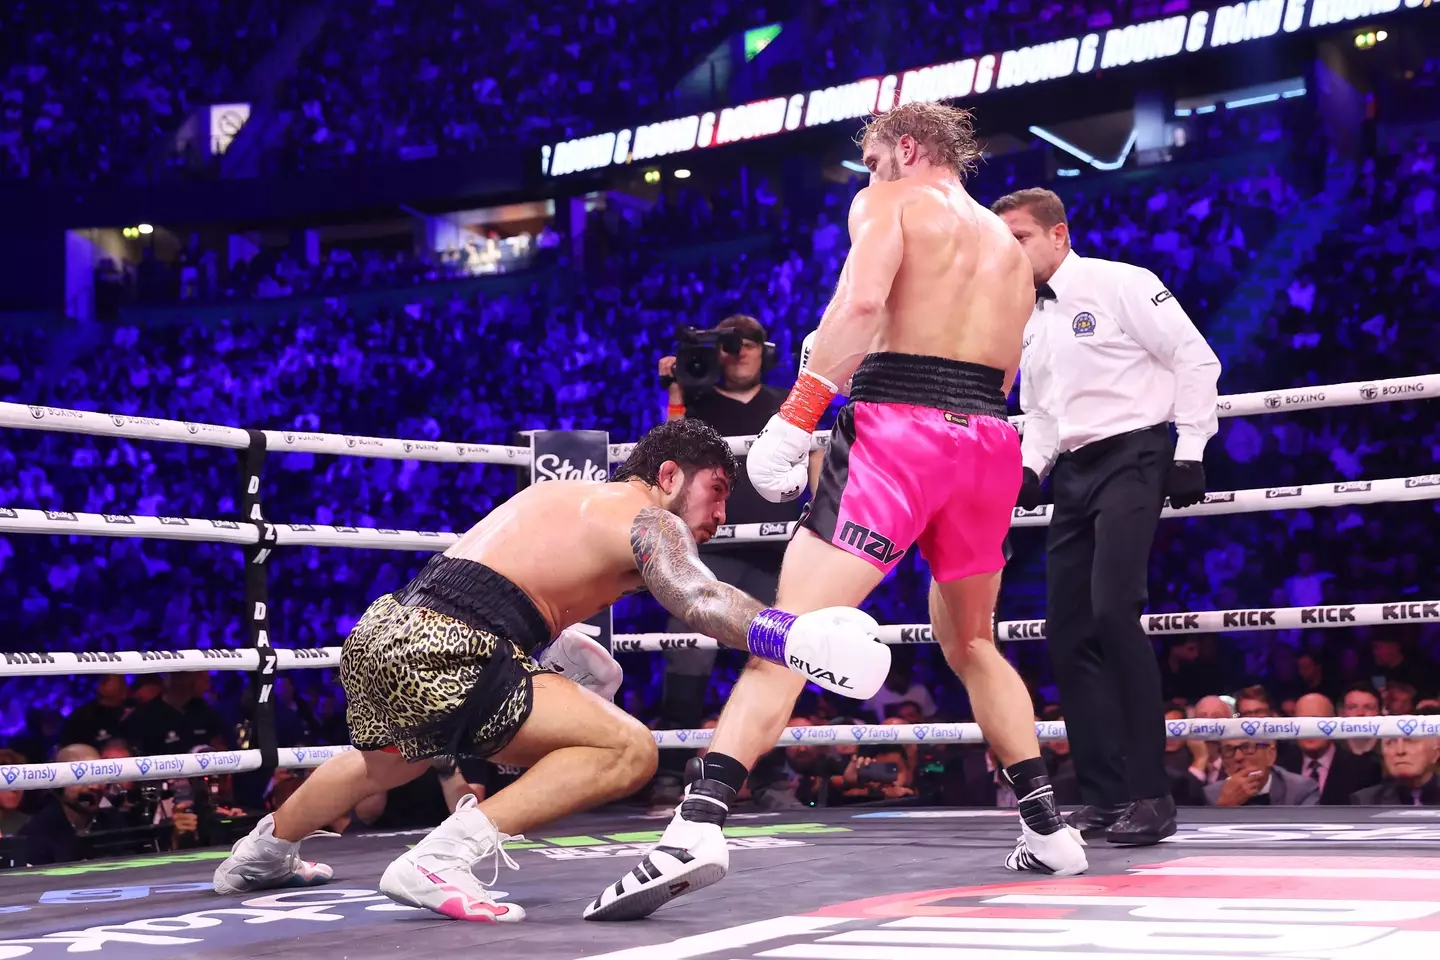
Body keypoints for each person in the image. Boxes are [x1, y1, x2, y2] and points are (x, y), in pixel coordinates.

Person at [587, 102, 1087, 925]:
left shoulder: (891, 200)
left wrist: (796, 417)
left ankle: (695, 829)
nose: (868, 175)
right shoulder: (1007, 245)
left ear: (909, 147)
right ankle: (1049, 826)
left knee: (790, 631)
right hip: (989, 443)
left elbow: (856, 309)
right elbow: (1000, 372)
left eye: (875, 158)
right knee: (971, 641)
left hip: (902, 433)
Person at [213, 419, 882, 922]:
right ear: (671, 475)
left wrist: (551, 653)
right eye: (717, 491)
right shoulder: (648, 518)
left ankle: (261, 855)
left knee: (391, 756)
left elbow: (498, 582)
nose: (720, 515)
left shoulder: (559, 495)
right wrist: (790, 636)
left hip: (388, 630)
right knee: (628, 749)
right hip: (454, 644)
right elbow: (700, 599)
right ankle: (438, 861)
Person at [997, 186, 1221, 845]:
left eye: (1019, 238)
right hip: (1074, 471)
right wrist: (1030, 470)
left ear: (1058, 234)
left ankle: (1152, 796)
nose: (1008, 251)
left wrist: (1191, 448)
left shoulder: (1121, 282)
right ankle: (1102, 796)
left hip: (1137, 452)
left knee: (1112, 613)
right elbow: (1040, 414)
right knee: (1066, 631)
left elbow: (1194, 358)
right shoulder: (1028, 318)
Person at [651, 314, 816, 803]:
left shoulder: (786, 407)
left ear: (763, 350)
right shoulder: (699, 405)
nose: (738, 352)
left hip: (773, 555)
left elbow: (817, 460)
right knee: (687, 660)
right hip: (709, 552)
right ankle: (668, 771)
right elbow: (671, 455)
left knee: (774, 661)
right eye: (727, 344)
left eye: (747, 343)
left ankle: (772, 774)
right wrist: (677, 392)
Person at [1278, 692, 1381, 805]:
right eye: (1302, 722)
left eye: (1318, 722)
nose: (1309, 729)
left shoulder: (1364, 770)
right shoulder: (1281, 766)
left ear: (1334, 723)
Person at [1204, 739, 1319, 807]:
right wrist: (1224, 808)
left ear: (1270, 755)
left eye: (1247, 747)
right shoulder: (1210, 796)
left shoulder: (1302, 791)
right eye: (1228, 750)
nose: (1238, 757)